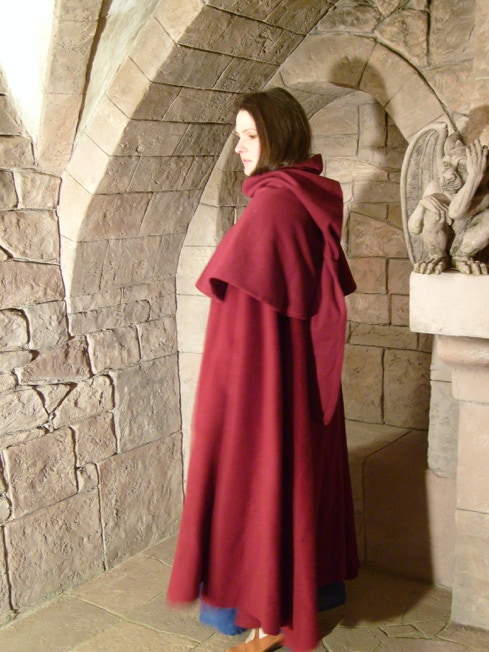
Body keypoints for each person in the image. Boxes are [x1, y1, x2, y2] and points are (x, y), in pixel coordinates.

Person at [167, 87, 359, 652]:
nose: (239, 148)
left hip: (263, 388)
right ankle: (286, 607)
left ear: (277, 137)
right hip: (291, 383)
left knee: (256, 489)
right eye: (239, 136)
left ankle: (267, 617)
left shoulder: (273, 208)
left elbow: (249, 325)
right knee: (292, 484)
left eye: (250, 136)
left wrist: (229, 404)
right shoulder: (305, 200)